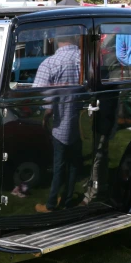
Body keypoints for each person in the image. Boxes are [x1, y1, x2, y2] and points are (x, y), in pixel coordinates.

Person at [32, 32, 83, 212]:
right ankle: (68, 199)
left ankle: (52, 203)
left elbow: (39, 96)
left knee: (59, 165)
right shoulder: (84, 60)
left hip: (59, 122)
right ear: (75, 38)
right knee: (74, 164)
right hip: (80, 122)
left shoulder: (50, 63)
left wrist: (45, 115)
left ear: (54, 40)